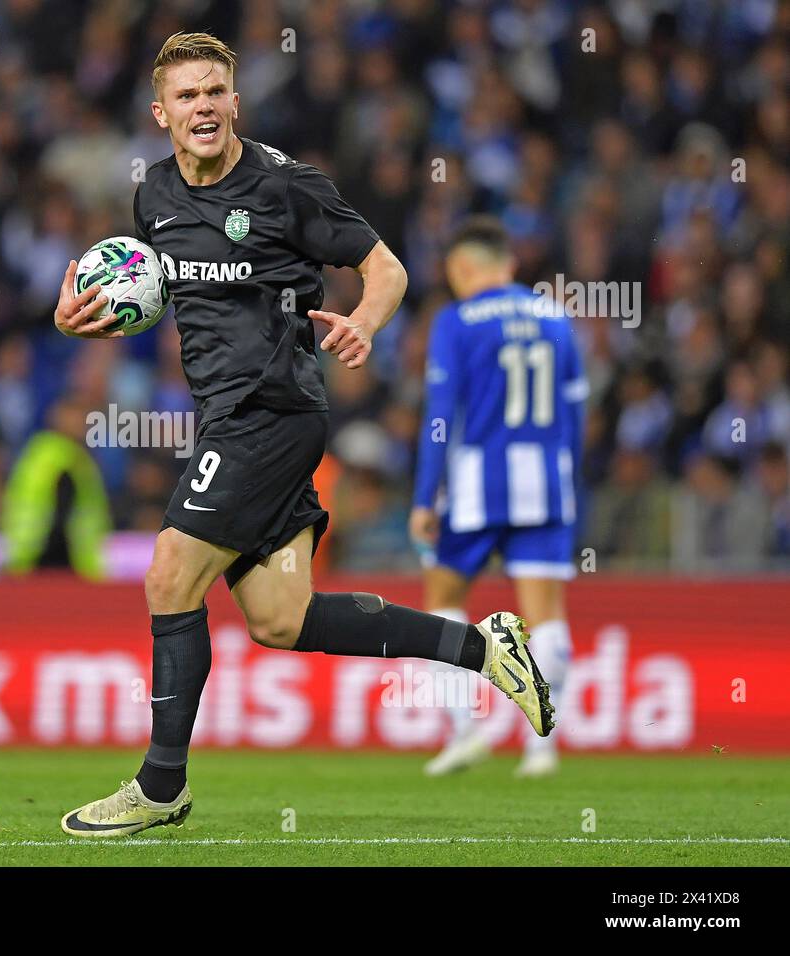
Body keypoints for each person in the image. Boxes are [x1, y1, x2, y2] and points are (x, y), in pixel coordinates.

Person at [53, 34, 554, 837]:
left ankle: (160, 786)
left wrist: (362, 323)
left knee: (169, 576)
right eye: (187, 97)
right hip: (224, 418)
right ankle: (484, 648)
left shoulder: (287, 188)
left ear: (236, 102)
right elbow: (137, 286)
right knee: (282, 619)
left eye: (216, 91)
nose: (204, 107)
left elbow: (386, 268)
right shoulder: (152, 197)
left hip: (275, 412)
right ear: (162, 115)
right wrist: (79, 313)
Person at [410, 216, 586, 778]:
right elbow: (577, 413)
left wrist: (422, 497)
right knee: (546, 614)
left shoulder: (457, 321)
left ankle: (463, 730)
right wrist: (569, 478)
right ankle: (543, 748)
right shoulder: (557, 318)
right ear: (506, 263)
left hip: (478, 483)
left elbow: (440, 417)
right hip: (548, 482)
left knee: (442, 594)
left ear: (464, 269)